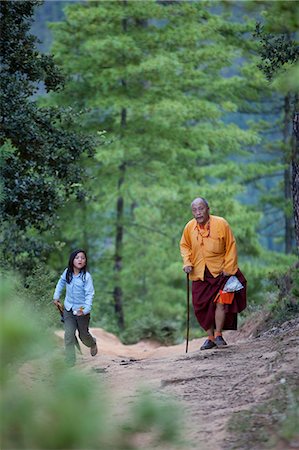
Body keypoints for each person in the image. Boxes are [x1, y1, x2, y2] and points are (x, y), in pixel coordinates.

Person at [180, 197, 247, 350]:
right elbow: (184, 246)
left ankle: (218, 335)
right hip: (200, 273)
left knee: (221, 302)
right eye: (195, 210)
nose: (198, 213)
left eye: (201, 208)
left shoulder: (221, 224)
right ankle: (209, 337)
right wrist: (187, 262)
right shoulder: (189, 227)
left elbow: (231, 246)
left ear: (208, 209)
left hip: (222, 272)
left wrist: (229, 269)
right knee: (201, 307)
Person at [53, 249, 98, 365]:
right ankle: (70, 361)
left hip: (82, 310)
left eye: (83, 258)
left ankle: (92, 343)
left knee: (83, 335)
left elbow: (89, 294)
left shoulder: (86, 277)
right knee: (68, 334)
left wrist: (85, 310)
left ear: (85, 261)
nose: (80, 260)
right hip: (68, 308)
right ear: (72, 260)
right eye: (77, 257)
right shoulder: (67, 273)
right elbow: (61, 282)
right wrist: (56, 296)